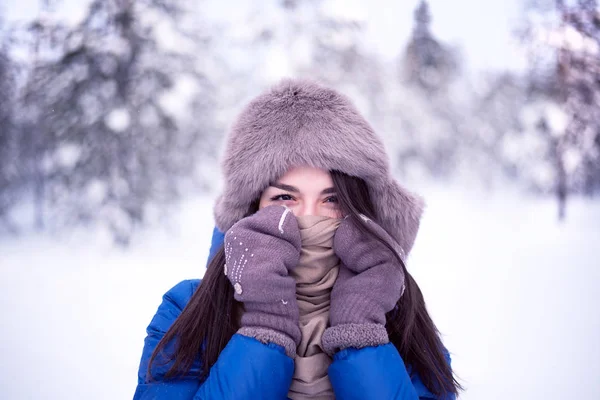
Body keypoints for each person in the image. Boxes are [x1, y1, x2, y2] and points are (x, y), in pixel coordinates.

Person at [133, 79, 461, 399]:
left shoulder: (402, 315)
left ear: (358, 208)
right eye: (285, 199)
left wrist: (362, 332)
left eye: (332, 199)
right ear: (251, 207)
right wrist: (265, 328)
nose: (307, 217)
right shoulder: (189, 310)